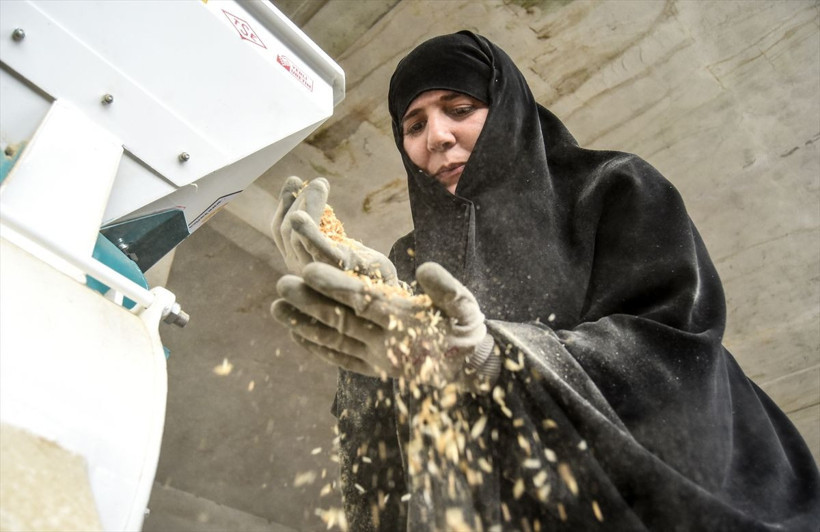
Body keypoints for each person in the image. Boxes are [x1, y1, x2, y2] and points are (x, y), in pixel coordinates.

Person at [271, 31, 820, 531]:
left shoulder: (611, 188)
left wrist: (497, 357)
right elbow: (405, 437)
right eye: (413, 126)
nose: (436, 136)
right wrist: (357, 315)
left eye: (459, 108)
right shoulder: (411, 260)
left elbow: (676, 343)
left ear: (507, 110)